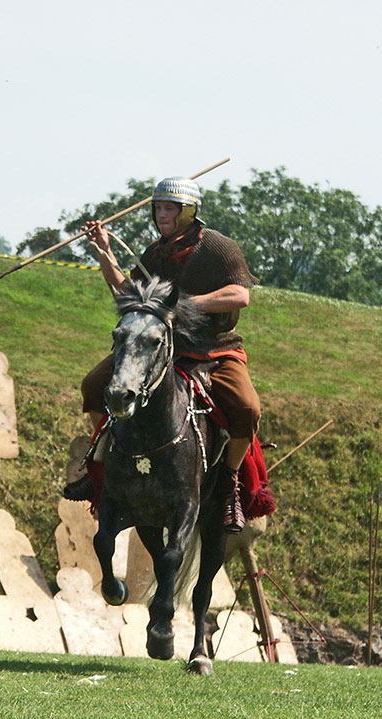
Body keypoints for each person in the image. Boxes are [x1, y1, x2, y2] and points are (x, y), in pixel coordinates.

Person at [63, 177, 260, 534]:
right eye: (158, 208)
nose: (162, 214)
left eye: (170, 208)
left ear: (188, 211)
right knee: (94, 386)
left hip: (215, 349)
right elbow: (127, 292)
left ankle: (230, 483)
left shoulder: (218, 247)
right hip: (162, 348)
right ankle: (102, 471)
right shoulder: (156, 253)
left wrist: (182, 306)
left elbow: (240, 295)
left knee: (247, 408)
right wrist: (103, 250)